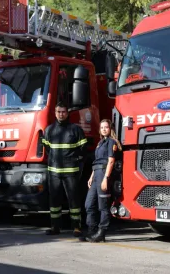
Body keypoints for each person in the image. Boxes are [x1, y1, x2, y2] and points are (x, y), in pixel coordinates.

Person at [42, 102, 88, 237]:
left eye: (63, 112)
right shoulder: (49, 130)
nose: (61, 114)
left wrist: (75, 161)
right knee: (54, 201)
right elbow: (48, 149)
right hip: (54, 172)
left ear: (67, 113)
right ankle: (55, 227)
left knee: (74, 200)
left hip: (71, 172)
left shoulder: (75, 129)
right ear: (55, 113)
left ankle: (77, 227)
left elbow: (83, 150)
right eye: (58, 112)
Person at [81, 119, 117, 243]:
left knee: (103, 206)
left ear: (110, 128)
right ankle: (92, 230)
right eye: (101, 127)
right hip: (96, 173)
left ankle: (101, 232)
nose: (104, 129)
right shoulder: (100, 143)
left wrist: (106, 178)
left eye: (106, 127)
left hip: (103, 174)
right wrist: (91, 177)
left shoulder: (111, 142)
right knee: (89, 204)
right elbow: (96, 162)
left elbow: (110, 161)